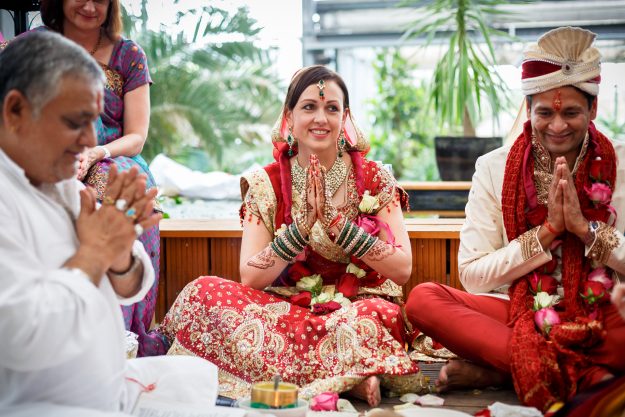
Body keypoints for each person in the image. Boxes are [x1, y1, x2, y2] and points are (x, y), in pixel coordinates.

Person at [157, 65, 425, 406]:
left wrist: (339, 227)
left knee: (377, 316)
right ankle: (351, 379)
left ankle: (328, 376)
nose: (321, 118)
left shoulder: (374, 178)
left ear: (345, 117)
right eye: (309, 107)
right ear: (289, 117)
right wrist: (300, 230)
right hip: (286, 309)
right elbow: (251, 277)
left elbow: (402, 269)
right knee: (203, 292)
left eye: (331, 108)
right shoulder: (266, 183)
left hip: (356, 309)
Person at [406, 26, 625, 413]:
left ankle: (509, 369)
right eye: (545, 112)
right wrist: (546, 233)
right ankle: (572, 370)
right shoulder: (494, 167)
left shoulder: (619, 163)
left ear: (592, 110)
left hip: (600, 312)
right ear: (528, 109)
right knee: (424, 300)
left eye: (571, 112)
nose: (557, 126)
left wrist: (585, 229)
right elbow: (472, 274)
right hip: (518, 310)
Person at [0, 31, 216, 416]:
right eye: (76, 122)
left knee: (198, 379)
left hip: (110, 389)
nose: (90, 142)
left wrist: (119, 255)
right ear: (15, 111)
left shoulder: (62, 183)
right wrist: (96, 252)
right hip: (41, 406)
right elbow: (24, 336)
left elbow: (132, 286)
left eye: (94, 122)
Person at [37, 0, 162, 356]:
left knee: (126, 195)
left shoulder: (128, 55)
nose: (90, 6)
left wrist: (94, 153)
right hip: (48, 154)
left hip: (111, 154)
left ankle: (125, 340)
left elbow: (136, 136)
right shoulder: (34, 46)